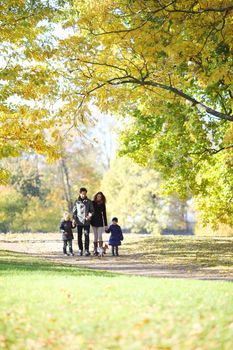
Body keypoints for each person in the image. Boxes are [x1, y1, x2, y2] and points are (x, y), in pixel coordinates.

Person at [73, 187, 94, 256]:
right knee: (79, 236)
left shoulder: (89, 201)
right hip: (79, 222)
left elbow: (92, 211)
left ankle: (87, 250)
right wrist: (74, 220)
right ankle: (80, 249)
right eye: (82, 194)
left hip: (86, 222)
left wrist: (89, 215)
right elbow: (74, 212)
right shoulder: (76, 202)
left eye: (85, 194)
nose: (83, 195)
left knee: (86, 235)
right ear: (80, 193)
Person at [91, 191, 108, 256]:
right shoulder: (92, 203)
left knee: (100, 236)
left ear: (102, 198)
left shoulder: (103, 204)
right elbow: (90, 211)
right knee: (95, 236)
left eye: (100, 197)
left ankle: (100, 250)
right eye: (98, 196)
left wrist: (106, 225)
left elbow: (104, 215)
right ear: (96, 196)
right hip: (93, 222)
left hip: (100, 222)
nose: (99, 197)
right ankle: (95, 250)